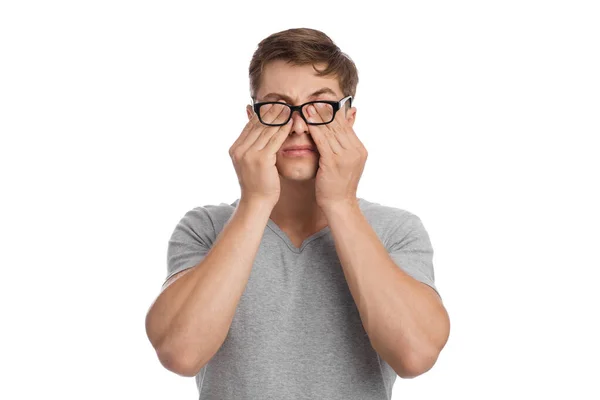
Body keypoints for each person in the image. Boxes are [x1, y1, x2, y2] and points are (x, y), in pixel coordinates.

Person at [145, 27, 450, 399]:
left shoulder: (396, 230)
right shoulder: (205, 228)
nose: (299, 125)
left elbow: (415, 355)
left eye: (320, 106)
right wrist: (255, 201)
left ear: (349, 119)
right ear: (252, 118)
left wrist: (341, 203)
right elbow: (180, 353)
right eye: (276, 106)